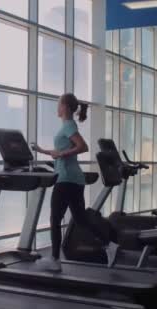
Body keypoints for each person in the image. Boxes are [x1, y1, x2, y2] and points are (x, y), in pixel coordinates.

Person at [31, 93, 119, 272]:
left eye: (58, 104)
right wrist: (42, 150)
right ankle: (109, 245)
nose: (57, 108)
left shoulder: (68, 126)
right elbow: (61, 151)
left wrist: (62, 154)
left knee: (55, 218)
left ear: (65, 107)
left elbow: (82, 146)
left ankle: (55, 260)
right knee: (81, 219)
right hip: (74, 179)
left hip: (66, 180)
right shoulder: (67, 126)